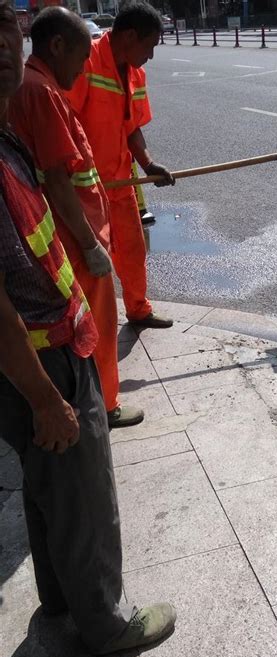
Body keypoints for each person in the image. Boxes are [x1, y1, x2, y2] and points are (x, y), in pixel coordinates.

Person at [0, 0, 176, 653]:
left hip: (46, 341)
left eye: (7, 52)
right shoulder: (37, 102)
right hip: (46, 357)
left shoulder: (14, 121)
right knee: (83, 493)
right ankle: (102, 619)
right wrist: (48, 397)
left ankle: (57, 596)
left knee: (46, 484)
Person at [9, 7, 143, 429]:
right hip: (75, 236)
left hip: (71, 231)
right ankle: (104, 406)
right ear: (57, 46)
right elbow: (60, 180)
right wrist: (89, 244)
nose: (86, 66)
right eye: (82, 56)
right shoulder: (42, 93)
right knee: (97, 323)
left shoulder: (35, 86)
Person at [68, 1, 175, 329]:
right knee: (89, 261)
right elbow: (66, 121)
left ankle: (138, 309)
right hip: (85, 186)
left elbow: (131, 127)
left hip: (119, 180)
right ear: (129, 36)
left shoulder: (135, 72)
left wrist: (148, 163)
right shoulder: (86, 63)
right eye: (150, 46)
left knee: (132, 249)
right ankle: (85, 326)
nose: (151, 56)